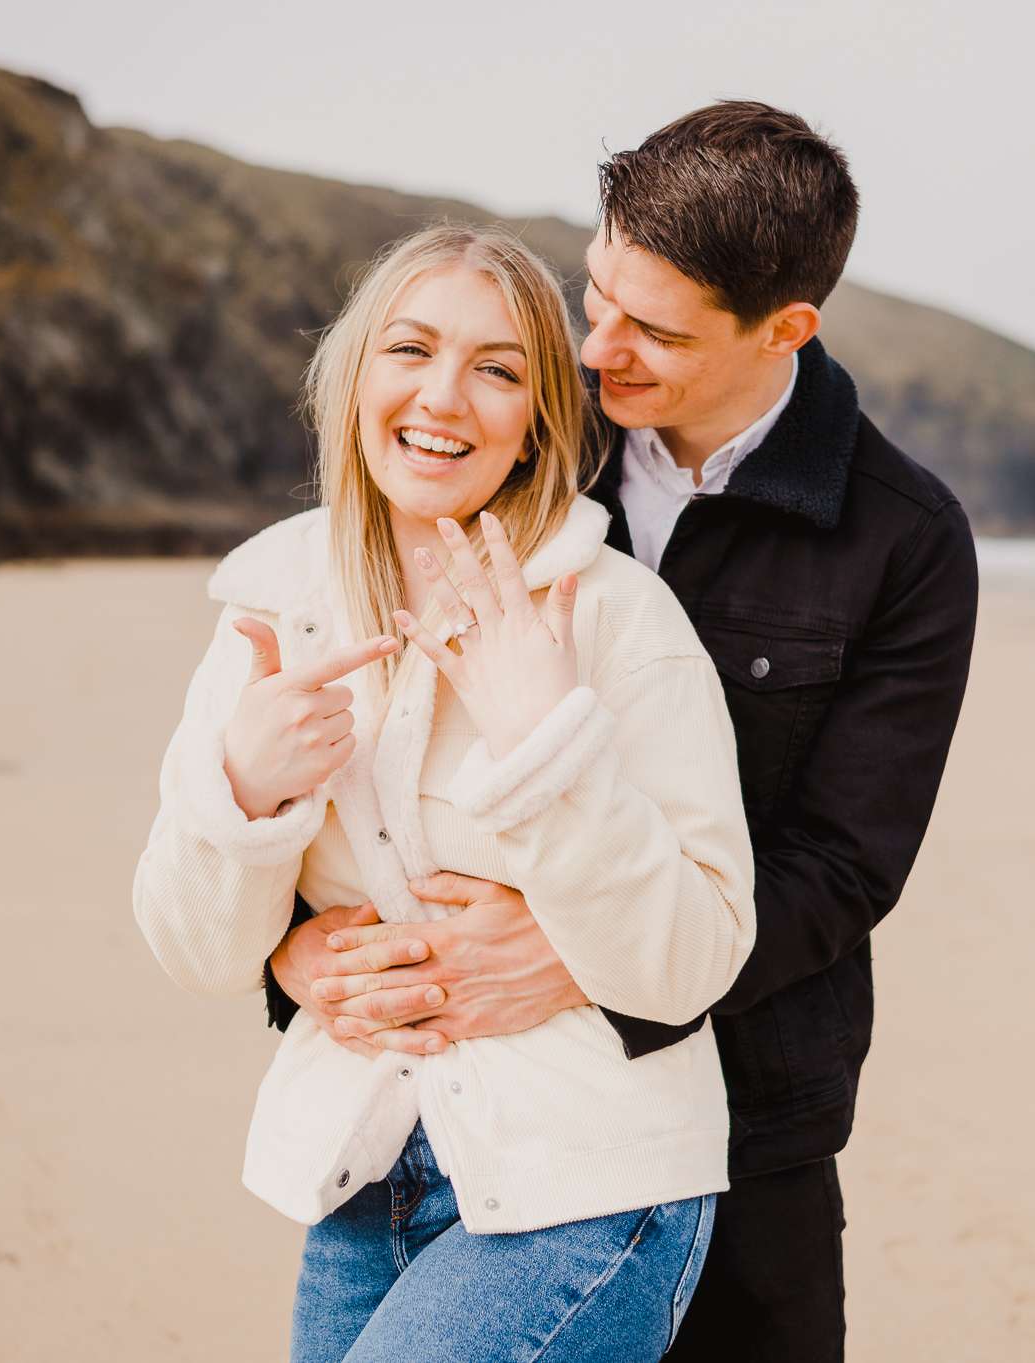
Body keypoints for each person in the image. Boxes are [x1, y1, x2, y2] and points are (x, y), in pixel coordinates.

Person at [264, 102, 980, 1362]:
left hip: (752, 1102)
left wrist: (586, 954)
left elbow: (843, 864)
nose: (596, 351)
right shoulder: (520, 427)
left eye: (652, 329)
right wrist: (293, 949)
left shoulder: (901, 539)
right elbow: (355, 732)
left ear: (786, 330)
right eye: (595, 293)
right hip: (449, 1093)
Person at [131, 224, 756, 1362]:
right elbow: (195, 949)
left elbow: (695, 957)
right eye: (409, 349)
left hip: (592, 1182)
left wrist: (544, 737)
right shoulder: (273, 614)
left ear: (534, 428)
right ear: (354, 379)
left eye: (499, 369)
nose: (444, 397)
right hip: (363, 1169)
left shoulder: (612, 619)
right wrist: (246, 790)